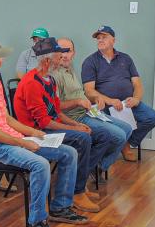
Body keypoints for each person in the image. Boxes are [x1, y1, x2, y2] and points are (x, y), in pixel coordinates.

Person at [0, 37, 88, 227]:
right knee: (39, 165)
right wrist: (22, 142)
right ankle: (36, 223)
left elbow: (7, 119)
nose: (1, 62)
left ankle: (60, 207)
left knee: (68, 153)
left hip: (11, 139)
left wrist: (33, 133)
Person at [13, 37, 107, 214]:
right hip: (35, 133)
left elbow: (55, 111)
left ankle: (75, 191)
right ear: (47, 60)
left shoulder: (49, 80)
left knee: (84, 135)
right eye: (58, 57)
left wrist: (75, 124)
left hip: (46, 128)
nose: (61, 60)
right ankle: (75, 193)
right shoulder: (32, 82)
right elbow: (44, 122)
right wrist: (75, 129)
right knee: (82, 139)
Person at [81, 25, 155, 160]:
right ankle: (115, 148)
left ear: (114, 40)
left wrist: (136, 98)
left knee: (152, 117)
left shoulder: (126, 59)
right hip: (105, 106)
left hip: (128, 104)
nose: (100, 40)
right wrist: (110, 101)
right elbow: (89, 91)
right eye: (98, 38)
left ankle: (127, 143)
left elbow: (137, 84)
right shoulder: (90, 61)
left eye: (104, 37)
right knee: (107, 125)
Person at [54, 37, 131, 173]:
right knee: (119, 136)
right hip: (75, 118)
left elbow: (81, 93)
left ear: (74, 53)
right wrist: (78, 102)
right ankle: (87, 170)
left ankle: (96, 166)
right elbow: (56, 107)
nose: (65, 55)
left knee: (127, 128)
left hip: (89, 112)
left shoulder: (70, 68)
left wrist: (95, 98)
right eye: (61, 51)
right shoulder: (54, 75)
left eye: (68, 51)